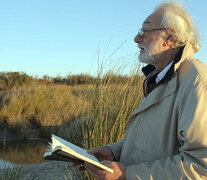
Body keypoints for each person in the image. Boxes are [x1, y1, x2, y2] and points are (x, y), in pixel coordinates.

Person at [73, 1, 207, 179]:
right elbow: (154, 143)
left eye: (144, 31)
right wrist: (114, 152)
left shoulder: (197, 82)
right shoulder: (160, 78)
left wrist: (129, 174)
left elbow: (200, 167)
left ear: (170, 38)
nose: (136, 38)